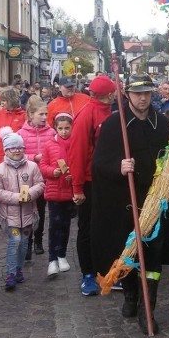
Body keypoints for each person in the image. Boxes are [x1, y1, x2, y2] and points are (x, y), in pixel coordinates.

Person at [90, 73, 169, 333]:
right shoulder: (116, 124)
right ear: (128, 96)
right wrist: (119, 166)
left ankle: (149, 309)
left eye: (147, 93)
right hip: (126, 201)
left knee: (154, 255)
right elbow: (98, 163)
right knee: (130, 252)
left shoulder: (161, 123)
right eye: (137, 93)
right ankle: (130, 295)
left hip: (155, 199)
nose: (143, 98)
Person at [68, 75, 116, 296]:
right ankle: (88, 274)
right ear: (107, 94)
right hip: (88, 181)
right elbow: (76, 153)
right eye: (113, 92)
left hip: (107, 180)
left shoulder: (111, 112)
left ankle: (106, 271)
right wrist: (77, 188)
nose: (116, 95)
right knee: (87, 228)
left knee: (106, 227)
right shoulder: (87, 115)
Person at [0, 128, 45, 290]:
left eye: (19, 147)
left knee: (24, 243)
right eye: (12, 148)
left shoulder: (32, 167)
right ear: (6, 150)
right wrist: (15, 198)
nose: (16, 150)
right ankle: (11, 273)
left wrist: (30, 194)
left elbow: (40, 184)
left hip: (28, 215)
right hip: (10, 217)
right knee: (15, 241)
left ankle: (19, 268)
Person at [18, 97, 53, 258]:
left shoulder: (51, 132)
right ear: (31, 115)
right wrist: (34, 157)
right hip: (26, 178)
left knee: (40, 210)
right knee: (26, 211)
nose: (45, 117)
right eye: (41, 114)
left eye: (46, 114)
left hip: (45, 178)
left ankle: (38, 240)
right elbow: (17, 155)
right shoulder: (21, 133)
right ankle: (27, 242)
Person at [41, 113, 75, 276]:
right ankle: (52, 259)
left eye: (67, 128)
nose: (64, 131)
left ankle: (62, 255)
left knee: (65, 226)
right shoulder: (49, 145)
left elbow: (77, 164)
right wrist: (51, 172)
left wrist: (72, 175)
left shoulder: (75, 144)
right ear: (55, 128)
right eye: (60, 128)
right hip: (54, 192)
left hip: (69, 192)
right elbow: (43, 165)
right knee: (54, 226)